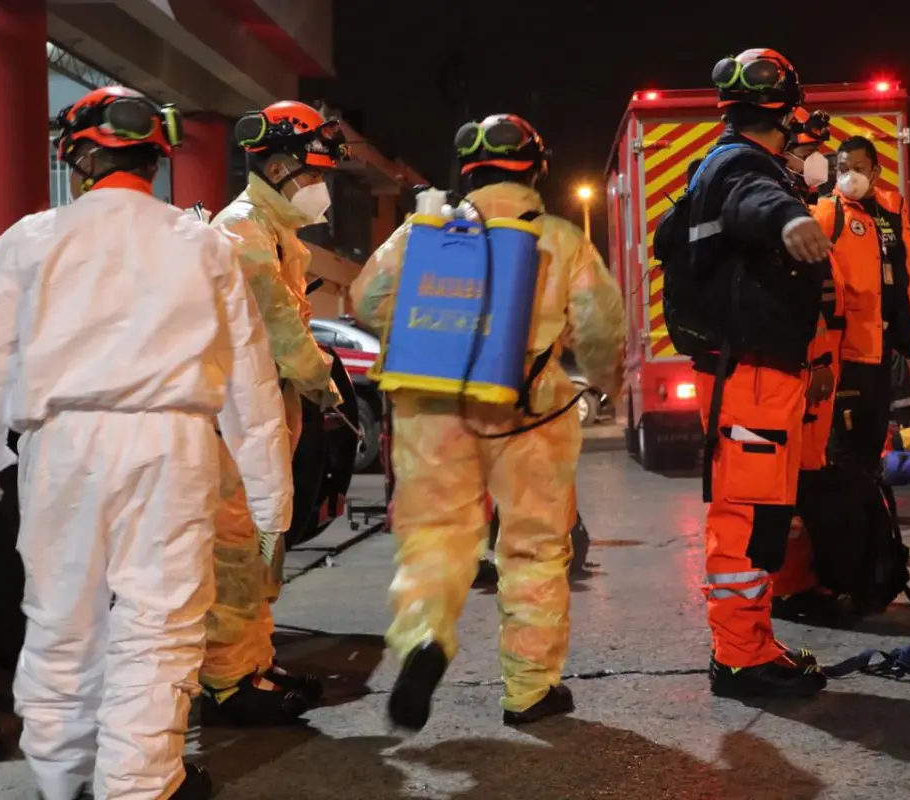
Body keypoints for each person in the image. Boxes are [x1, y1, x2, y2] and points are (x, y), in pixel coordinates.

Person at [0, 86, 292, 800]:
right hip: (172, 447)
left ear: (76, 160)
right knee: (158, 627)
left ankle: (64, 777)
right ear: (157, 159)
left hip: (60, 445)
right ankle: (138, 785)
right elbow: (249, 380)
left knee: (61, 619)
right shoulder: (204, 245)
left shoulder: (29, 240)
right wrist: (270, 498)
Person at [351, 113, 625, 729]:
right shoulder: (558, 237)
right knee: (531, 547)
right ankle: (529, 691)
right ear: (538, 168)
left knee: (436, 537)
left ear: (468, 171)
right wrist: (608, 382)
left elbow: (365, 301)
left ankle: (425, 639)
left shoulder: (423, 231)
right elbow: (600, 326)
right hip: (527, 411)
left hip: (432, 405)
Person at [689, 49, 832, 699]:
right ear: (786, 111)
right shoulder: (738, 165)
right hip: (749, 374)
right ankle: (740, 657)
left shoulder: (741, 164)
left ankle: (751, 643)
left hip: (758, 372)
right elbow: (752, 200)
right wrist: (789, 215)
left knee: (763, 517)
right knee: (746, 520)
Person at [201, 100, 349, 724]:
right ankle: (228, 681)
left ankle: (256, 662)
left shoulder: (273, 233)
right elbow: (282, 328)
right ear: (281, 166)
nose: (320, 188)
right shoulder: (241, 233)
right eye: (313, 174)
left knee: (264, 541)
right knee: (235, 545)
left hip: (260, 413)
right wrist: (326, 384)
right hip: (232, 421)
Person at [771, 106, 850, 621]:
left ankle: (799, 582)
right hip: (794, 369)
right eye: (805, 149)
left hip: (809, 366)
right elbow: (801, 303)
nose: (816, 159)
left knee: (805, 477)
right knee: (789, 484)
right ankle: (789, 588)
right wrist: (818, 360)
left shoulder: (796, 204)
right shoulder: (779, 209)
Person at [814, 135, 910, 475]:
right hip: (849, 353)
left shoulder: (893, 208)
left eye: (858, 169)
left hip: (889, 351)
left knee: (876, 442)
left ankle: (867, 511)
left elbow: (906, 275)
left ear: (876, 171)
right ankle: (848, 516)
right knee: (846, 447)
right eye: (843, 168)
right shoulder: (826, 212)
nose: (849, 176)